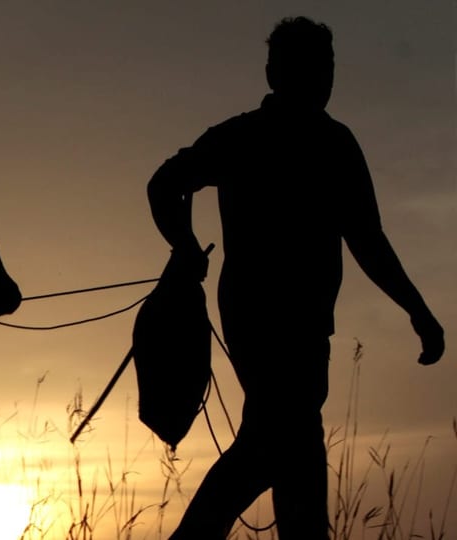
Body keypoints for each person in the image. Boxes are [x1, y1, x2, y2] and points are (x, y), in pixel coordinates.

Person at [146, 16, 445, 540]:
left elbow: (366, 239)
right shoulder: (259, 139)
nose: (323, 78)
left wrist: (417, 310)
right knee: (284, 439)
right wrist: (185, 245)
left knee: (287, 445)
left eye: (327, 66)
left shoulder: (319, 143)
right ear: (274, 73)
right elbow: (164, 184)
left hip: (302, 323)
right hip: (263, 320)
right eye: (311, 67)